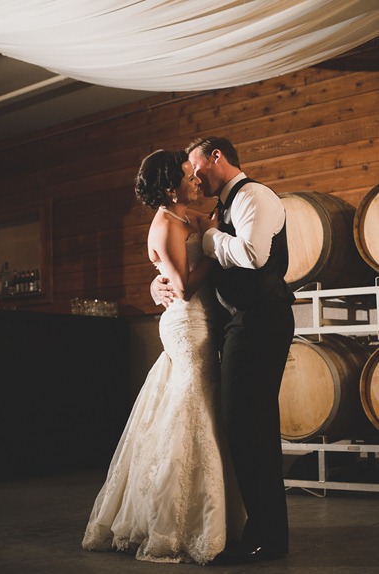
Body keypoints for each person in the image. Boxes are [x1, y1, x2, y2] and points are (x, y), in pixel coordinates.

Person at [82, 149, 245, 565]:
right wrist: (209, 252)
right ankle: (175, 520)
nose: (197, 182)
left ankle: (212, 512)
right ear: (171, 187)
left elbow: (212, 230)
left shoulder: (186, 217)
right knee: (191, 409)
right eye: (190, 178)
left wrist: (213, 236)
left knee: (199, 407)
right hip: (188, 324)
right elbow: (185, 287)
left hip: (204, 321)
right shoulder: (164, 225)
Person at [152, 136, 295, 563]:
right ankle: (266, 531)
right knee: (249, 424)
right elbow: (173, 250)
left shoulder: (254, 196)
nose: (194, 176)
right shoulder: (221, 208)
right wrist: (157, 281)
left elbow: (252, 255)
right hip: (238, 322)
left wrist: (211, 236)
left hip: (260, 319)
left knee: (246, 422)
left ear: (217, 157)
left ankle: (267, 536)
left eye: (197, 167)